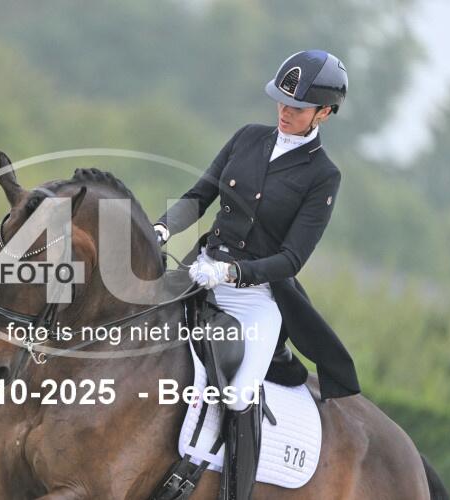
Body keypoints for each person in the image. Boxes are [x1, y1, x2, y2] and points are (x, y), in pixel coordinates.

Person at [154, 50, 360, 500]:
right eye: (281, 101)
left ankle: (234, 491)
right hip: (199, 272)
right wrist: (162, 228)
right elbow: (199, 196)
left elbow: (292, 259)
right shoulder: (247, 138)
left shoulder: (323, 176)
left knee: (239, 393)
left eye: (298, 108)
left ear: (324, 113)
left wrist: (232, 272)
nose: (284, 111)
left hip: (256, 299)